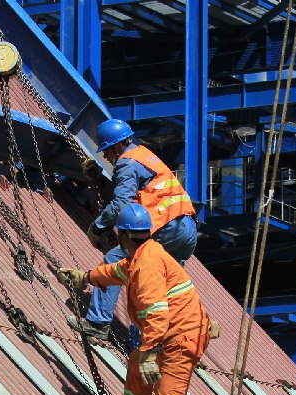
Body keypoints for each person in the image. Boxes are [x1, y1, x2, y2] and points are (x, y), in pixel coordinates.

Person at [56, 203, 210, 395]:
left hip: (180, 340)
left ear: (124, 235)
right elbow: (117, 271)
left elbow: (157, 315)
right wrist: (84, 277)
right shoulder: (143, 255)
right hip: (171, 336)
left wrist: (150, 354)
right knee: (137, 372)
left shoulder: (147, 265)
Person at [68, 119, 198, 341]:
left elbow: (121, 203)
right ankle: (143, 339)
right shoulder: (144, 155)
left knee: (114, 260)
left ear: (118, 145)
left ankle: (97, 322)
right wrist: (99, 179)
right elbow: (138, 191)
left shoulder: (126, 163)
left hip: (165, 227)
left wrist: (97, 227)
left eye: (107, 150)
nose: (106, 155)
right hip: (187, 230)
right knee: (158, 280)